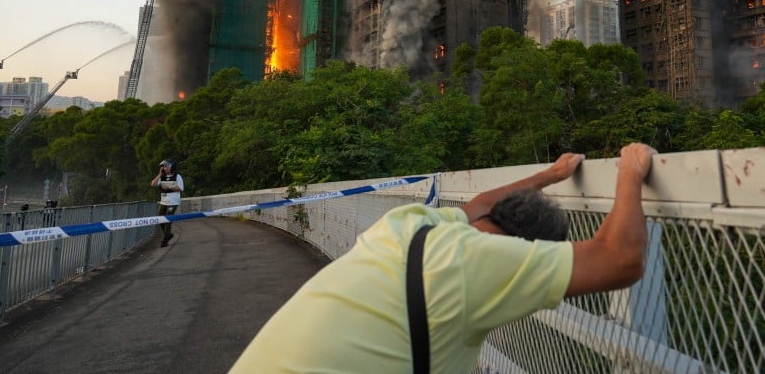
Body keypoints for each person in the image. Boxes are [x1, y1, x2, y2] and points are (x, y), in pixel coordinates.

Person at [229, 142, 656, 373]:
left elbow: (482, 200)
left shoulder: (409, 226)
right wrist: (629, 172)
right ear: (526, 248)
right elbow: (621, 259)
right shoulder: (482, 261)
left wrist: (551, 174)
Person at [150, 159, 184, 247]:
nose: (164, 168)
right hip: (163, 202)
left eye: (166, 166)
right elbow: (153, 184)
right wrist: (159, 174)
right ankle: (168, 235)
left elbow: (181, 188)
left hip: (173, 202)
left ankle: (164, 241)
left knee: (168, 221)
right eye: (163, 166)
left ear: (171, 167)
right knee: (160, 219)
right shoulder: (162, 176)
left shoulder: (177, 176)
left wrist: (169, 186)